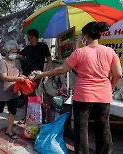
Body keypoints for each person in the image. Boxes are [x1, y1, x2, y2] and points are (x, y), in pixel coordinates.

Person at [33, 22, 122, 154]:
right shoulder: (110, 52)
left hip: (83, 96)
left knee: (81, 130)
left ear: (86, 35)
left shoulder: (80, 52)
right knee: (103, 128)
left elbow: (62, 70)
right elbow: (118, 74)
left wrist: (43, 73)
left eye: (83, 36)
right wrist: (110, 88)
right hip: (103, 96)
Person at [0, 40, 25, 139]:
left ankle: (9, 130)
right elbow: (3, 77)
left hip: (14, 91)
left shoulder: (18, 62)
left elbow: (20, 73)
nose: (14, 54)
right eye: (12, 52)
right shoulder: (2, 62)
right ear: (7, 52)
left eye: (16, 52)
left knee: (13, 111)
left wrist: (26, 78)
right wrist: (17, 78)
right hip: (3, 91)